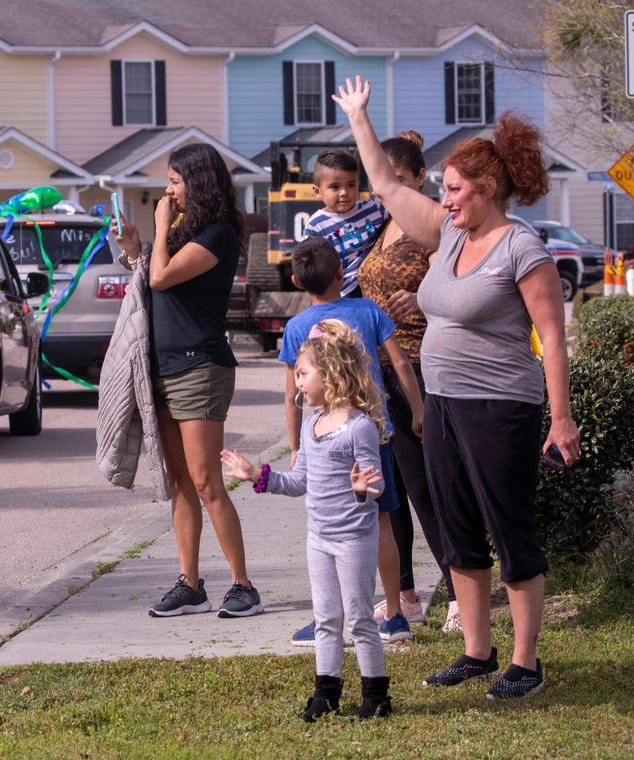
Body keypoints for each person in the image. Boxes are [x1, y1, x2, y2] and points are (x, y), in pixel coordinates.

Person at [334, 76, 580, 700]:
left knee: (508, 525)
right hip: (441, 402)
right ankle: (476, 650)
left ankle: (525, 661)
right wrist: (359, 116)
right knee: (457, 523)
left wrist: (561, 418)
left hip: (502, 406)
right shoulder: (449, 237)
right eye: (441, 191)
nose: (443, 200)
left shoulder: (522, 250)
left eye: (452, 189)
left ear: (487, 188)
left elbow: (552, 339)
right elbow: (387, 184)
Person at [110, 143, 263, 619]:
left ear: (198, 184)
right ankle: (190, 583)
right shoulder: (184, 231)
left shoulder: (218, 235)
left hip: (200, 367)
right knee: (179, 482)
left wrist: (158, 229)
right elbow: (153, 272)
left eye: (174, 181)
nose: (167, 191)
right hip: (163, 365)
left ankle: (242, 585)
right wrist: (138, 246)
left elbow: (161, 278)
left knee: (205, 480)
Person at [222, 319, 394, 722]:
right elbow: (299, 481)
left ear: (330, 371)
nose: (297, 383)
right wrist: (256, 475)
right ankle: (326, 692)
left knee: (359, 617)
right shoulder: (311, 423)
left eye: (302, 373)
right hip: (319, 538)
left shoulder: (359, 427)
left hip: (354, 539)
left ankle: (376, 695)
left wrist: (359, 488)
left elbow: (378, 487)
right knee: (327, 617)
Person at [279, 237, 424, 646]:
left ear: (295, 281)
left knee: (327, 532)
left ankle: (329, 619)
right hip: (373, 434)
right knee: (381, 524)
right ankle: (394, 614)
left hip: (325, 441)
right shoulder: (368, 310)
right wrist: (418, 410)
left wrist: (295, 448)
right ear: (344, 274)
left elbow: (290, 396)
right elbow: (399, 363)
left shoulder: (295, 329)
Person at [356, 130, 460, 633]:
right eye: (383, 184)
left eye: (399, 182)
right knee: (390, 492)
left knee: (429, 488)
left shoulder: (436, 230)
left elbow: (457, 287)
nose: (390, 192)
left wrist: (420, 297)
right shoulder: (382, 230)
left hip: (422, 368)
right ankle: (405, 595)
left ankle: (462, 592)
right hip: (381, 375)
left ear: (420, 179)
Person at [303, 150, 389, 297]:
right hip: (343, 293)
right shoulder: (316, 227)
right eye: (335, 187)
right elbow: (315, 267)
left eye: (351, 185)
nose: (344, 192)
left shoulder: (373, 209)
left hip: (378, 283)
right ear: (317, 191)